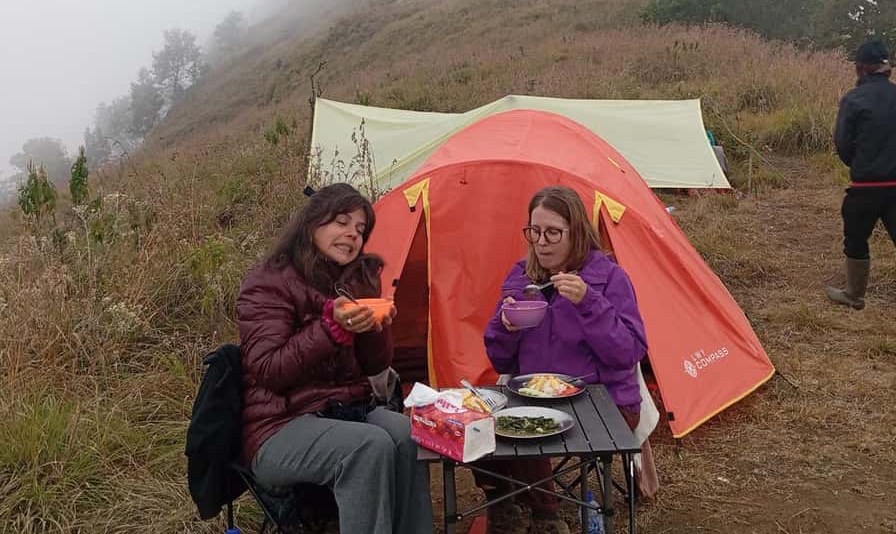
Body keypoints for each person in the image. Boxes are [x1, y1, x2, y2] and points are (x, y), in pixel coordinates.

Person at [237, 183, 433, 533]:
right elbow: (268, 371)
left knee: (408, 434)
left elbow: (374, 367)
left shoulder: (349, 283)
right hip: (278, 426)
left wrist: (375, 326)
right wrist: (329, 330)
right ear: (312, 223)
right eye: (341, 222)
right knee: (368, 447)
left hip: (342, 411)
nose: (352, 234)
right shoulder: (268, 284)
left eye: (360, 229)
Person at [480, 186, 657, 534]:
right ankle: (505, 507)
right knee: (479, 422)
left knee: (529, 430)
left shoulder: (609, 278)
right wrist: (506, 326)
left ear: (576, 232)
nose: (541, 242)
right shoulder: (522, 277)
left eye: (552, 233)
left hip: (604, 400)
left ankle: (545, 518)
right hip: (534, 394)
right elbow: (500, 360)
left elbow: (628, 353)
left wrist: (589, 303)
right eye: (534, 232)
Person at [827, 39, 896, 310]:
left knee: (856, 239)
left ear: (861, 67)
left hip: (866, 186)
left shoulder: (853, 100)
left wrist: (860, 165)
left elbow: (843, 144)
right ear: (885, 67)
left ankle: (854, 295)